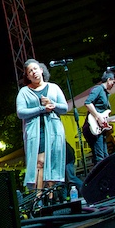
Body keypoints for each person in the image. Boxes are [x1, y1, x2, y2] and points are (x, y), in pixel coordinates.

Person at [16, 58, 68, 198]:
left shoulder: (54, 87)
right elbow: (21, 112)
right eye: (30, 71)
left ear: (41, 70)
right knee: (39, 163)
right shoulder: (24, 92)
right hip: (36, 131)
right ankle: (37, 199)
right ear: (27, 76)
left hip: (54, 130)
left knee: (53, 163)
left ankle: (51, 199)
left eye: (35, 68)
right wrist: (41, 108)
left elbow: (65, 108)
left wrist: (53, 104)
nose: (34, 72)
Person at [83, 69, 115, 166]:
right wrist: (98, 117)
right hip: (92, 127)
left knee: (105, 156)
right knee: (100, 157)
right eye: (113, 82)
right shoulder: (98, 89)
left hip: (100, 129)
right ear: (109, 79)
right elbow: (88, 103)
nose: (113, 84)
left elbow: (105, 116)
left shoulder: (106, 94)